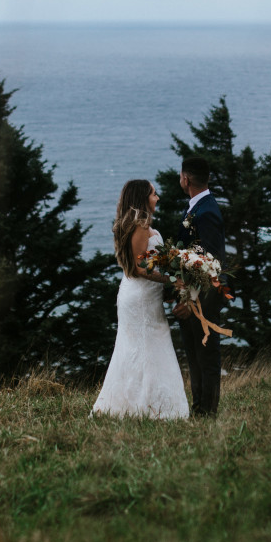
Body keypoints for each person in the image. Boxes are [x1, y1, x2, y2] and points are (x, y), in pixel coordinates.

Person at [92, 179, 189, 419]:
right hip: (140, 298)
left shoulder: (136, 224)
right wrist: (170, 281)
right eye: (154, 194)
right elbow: (138, 268)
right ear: (143, 198)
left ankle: (138, 405)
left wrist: (166, 286)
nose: (157, 198)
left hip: (142, 295)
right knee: (146, 347)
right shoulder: (141, 225)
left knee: (139, 347)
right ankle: (152, 408)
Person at [173, 156, 225, 417]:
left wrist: (190, 300)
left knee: (206, 358)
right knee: (195, 358)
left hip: (203, 300)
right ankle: (199, 410)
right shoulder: (197, 207)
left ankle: (209, 412)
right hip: (192, 298)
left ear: (186, 179)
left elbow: (211, 265)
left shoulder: (206, 212)